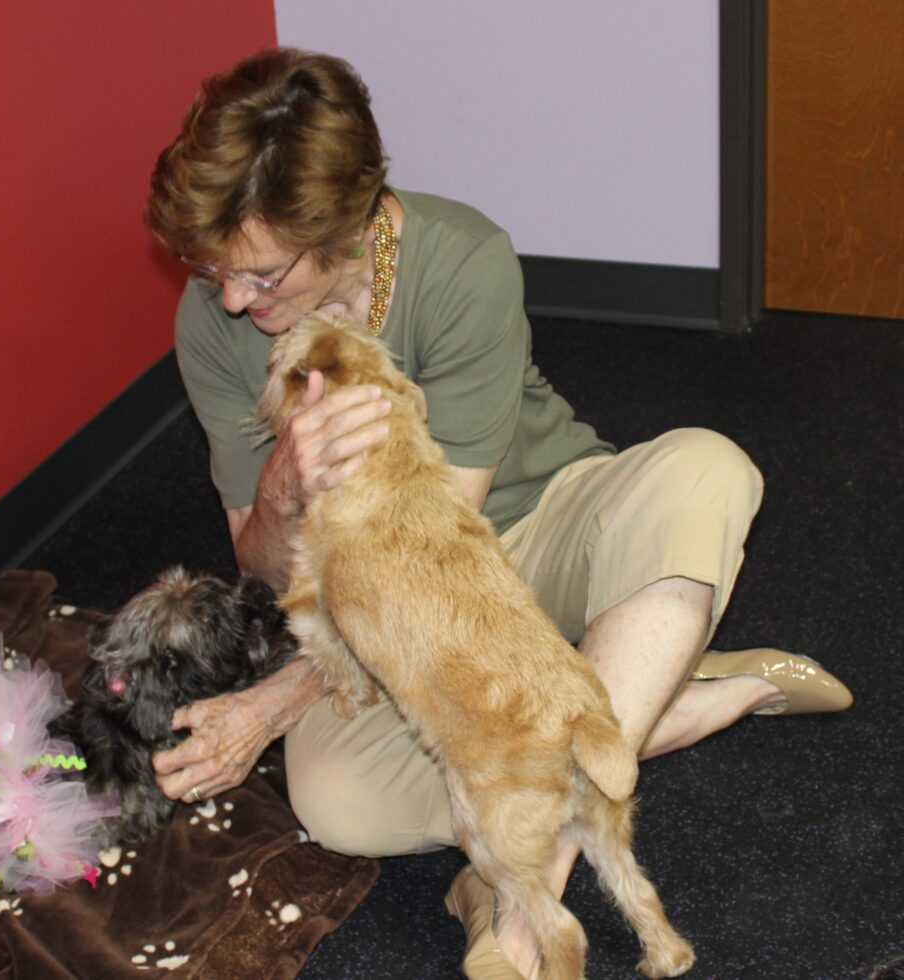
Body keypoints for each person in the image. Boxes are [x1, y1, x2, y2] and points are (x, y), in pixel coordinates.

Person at [144, 48, 852, 979]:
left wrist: (270, 707)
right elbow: (264, 564)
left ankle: (523, 898)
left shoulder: (461, 257)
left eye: (265, 275)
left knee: (704, 474)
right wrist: (286, 481)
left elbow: (446, 565)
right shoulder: (213, 323)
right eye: (211, 267)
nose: (234, 298)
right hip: (382, 608)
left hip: (518, 536)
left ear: (348, 230)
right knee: (336, 804)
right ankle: (662, 692)